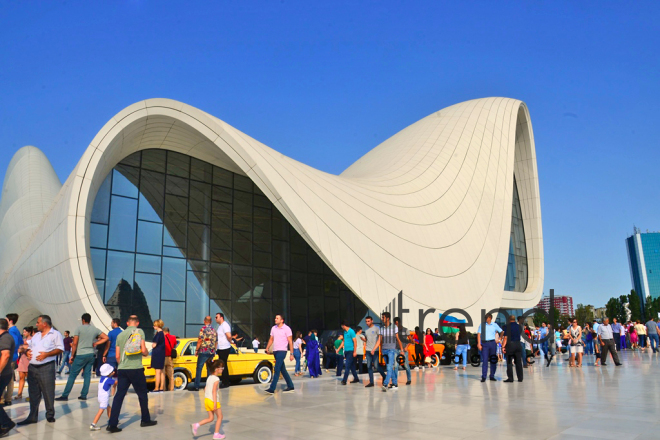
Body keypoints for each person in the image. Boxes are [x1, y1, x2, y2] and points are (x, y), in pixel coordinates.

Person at [106, 315, 157, 433]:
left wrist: (122, 365)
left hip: (123, 369)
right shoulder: (139, 332)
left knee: (119, 396)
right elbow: (143, 350)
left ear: (128, 323)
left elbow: (117, 356)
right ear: (137, 323)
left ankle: (112, 424)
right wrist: (145, 353)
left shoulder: (120, 335)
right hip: (136, 368)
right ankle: (145, 420)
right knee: (142, 394)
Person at [18, 315, 64, 426]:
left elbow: (60, 349)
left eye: (38, 322)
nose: (36, 324)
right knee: (33, 392)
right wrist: (26, 351)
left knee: (48, 391)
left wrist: (47, 354)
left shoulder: (55, 334)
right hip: (33, 367)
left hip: (46, 367)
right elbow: (27, 346)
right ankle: (32, 416)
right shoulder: (36, 335)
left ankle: (50, 415)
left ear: (45, 323)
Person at [56, 313, 108, 402]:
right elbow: (106, 337)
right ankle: (83, 395)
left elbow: (75, 343)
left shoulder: (79, 329)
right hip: (91, 354)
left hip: (81, 354)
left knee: (72, 375)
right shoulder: (95, 329)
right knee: (87, 375)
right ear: (89, 320)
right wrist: (96, 343)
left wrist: (72, 355)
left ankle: (65, 395)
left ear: (83, 320)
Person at [191, 359, 225, 440]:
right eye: (222, 368)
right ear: (217, 369)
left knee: (211, 418)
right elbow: (213, 391)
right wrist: (215, 404)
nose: (223, 369)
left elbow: (205, 389)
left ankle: (196, 425)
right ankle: (216, 434)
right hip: (213, 401)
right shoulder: (216, 379)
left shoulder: (209, 377)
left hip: (207, 400)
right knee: (220, 417)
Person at [264, 314, 294, 395]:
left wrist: (291, 353)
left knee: (277, 369)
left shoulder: (287, 329)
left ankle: (272, 388)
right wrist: (267, 348)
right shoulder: (273, 328)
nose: (275, 319)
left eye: (277, 318)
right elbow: (271, 339)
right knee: (282, 370)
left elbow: (290, 342)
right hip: (275, 351)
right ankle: (291, 386)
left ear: (282, 320)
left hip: (282, 351)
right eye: (275, 318)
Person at [191, 316, 217, 392]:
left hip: (203, 351)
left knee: (199, 368)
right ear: (211, 322)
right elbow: (216, 342)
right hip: (211, 352)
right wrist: (214, 350)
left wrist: (196, 350)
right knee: (209, 369)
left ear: (204, 321)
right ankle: (209, 386)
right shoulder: (214, 330)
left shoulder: (203, 329)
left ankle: (196, 386)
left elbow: (200, 340)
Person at [0, 318, 16, 436]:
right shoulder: (4, 337)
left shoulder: (5, 338)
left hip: (2, 374)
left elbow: (5, 355)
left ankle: (7, 423)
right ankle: (4, 423)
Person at [89, 363, 117, 431]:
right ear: (109, 373)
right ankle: (93, 424)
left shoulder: (102, 378)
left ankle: (111, 420)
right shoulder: (108, 380)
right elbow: (116, 382)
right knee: (100, 411)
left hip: (100, 397)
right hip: (104, 398)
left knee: (109, 408)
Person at [380, 311, 403, 392]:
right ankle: (395, 383)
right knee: (390, 368)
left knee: (389, 367)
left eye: (383, 317)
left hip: (391, 350)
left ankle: (385, 384)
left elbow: (398, 339)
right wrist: (380, 350)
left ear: (388, 318)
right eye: (382, 317)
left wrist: (402, 350)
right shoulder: (382, 328)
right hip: (384, 350)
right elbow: (380, 340)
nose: (382, 319)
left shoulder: (394, 327)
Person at [477, 313, 502, 382]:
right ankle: (484, 376)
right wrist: (479, 344)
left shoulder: (494, 325)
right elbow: (479, 334)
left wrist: (499, 339)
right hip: (484, 343)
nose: (486, 319)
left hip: (492, 343)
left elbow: (502, 331)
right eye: (485, 318)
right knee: (484, 360)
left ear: (490, 318)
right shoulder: (482, 325)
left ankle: (492, 375)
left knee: (493, 360)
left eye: (487, 318)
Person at [363, 316, 384, 388]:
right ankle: (371, 382)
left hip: (375, 350)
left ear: (372, 321)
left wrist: (374, 349)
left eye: (368, 321)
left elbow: (380, 339)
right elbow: (366, 339)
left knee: (376, 366)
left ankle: (384, 376)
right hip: (368, 350)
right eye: (366, 321)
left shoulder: (377, 328)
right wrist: (364, 341)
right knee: (369, 366)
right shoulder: (366, 330)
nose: (367, 323)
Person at [501, 315, 523, 382]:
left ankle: (510, 378)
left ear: (509, 319)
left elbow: (505, 337)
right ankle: (520, 378)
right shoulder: (519, 326)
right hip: (518, 344)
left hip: (510, 345)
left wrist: (503, 346)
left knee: (509, 362)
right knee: (518, 362)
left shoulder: (507, 326)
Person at [340, 320, 360, 385]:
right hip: (346, 350)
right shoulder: (345, 332)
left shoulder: (351, 331)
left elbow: (355, 341)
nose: (341, 327)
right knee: (351, 366)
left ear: (343, 325)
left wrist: (355, 351)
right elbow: (343, 341)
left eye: (341, 325)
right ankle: (356, 378)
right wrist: (339, 349)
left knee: (347, 365)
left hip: (351, 351)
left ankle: (344, 380)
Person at [215, 313, 232, 388]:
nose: (215, 318)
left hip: (224, 348)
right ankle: (225, 381)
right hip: (220, 348)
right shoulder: (220, 326)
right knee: (222, 364)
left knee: (223, 364)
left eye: (216, 317)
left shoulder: (225, 325)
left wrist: (230, 341)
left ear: (221, 317)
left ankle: (226, 382)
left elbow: (229, 335)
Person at [15, 327, 32, 400]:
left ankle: (31, 394)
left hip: (29, 360)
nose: (24, 333)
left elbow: (30, 349)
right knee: (21, 377)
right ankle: (19, 394)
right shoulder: (23, 340)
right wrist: (25, 348)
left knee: (30, 379)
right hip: (22, 360)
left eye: (25, 332)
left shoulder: (32, 340)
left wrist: (24, 348)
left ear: (29, 332)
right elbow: (19, 349)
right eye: (23, 332)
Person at [393, 317, 411, 385]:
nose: (396, 324)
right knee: (396, 366)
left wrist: (406, 347)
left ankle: (409, 379)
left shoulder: (405, 330)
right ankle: (395, 381)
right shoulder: (394, 331)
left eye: (397, 323)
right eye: (395, 323)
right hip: (396, 350)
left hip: (404, 350)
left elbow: (411, 340)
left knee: (406, 365)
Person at [151, 320, 166, 392]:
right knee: (162, 371)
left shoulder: (158, 334)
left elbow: (154, 345)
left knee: (157, 371)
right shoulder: (162, 333)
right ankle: (161, 387)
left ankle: (156, 387)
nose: (153, 326)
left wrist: (152, 345)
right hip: (162, 353)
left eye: (154, 325)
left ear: (157, 325)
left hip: (157, 353)